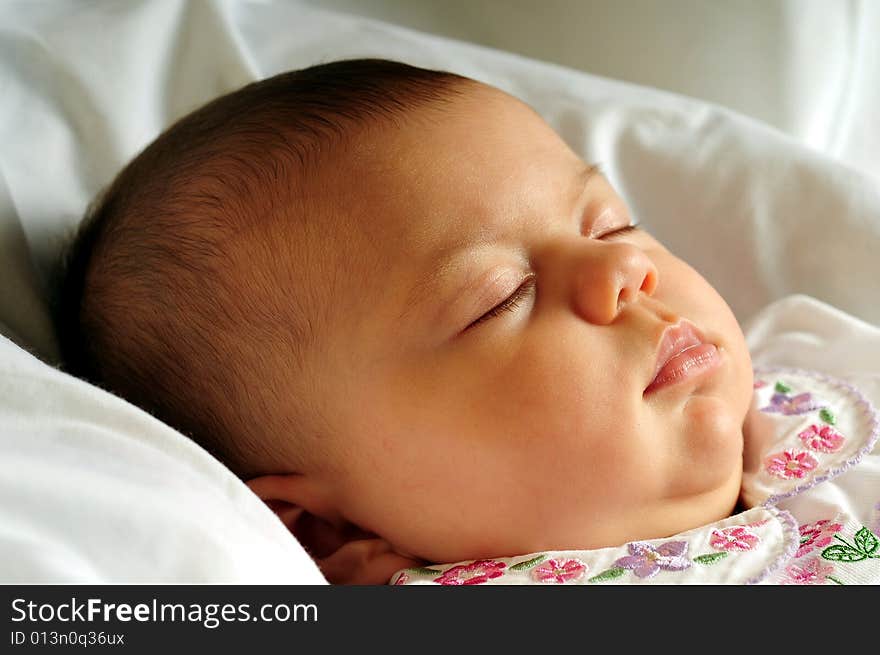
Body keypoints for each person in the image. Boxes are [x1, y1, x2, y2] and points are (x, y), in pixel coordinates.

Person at [52, 58, 879, 585]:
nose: (624, 270)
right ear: (332, 528)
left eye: (610, 223)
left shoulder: (822, 360)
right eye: (498, 298)